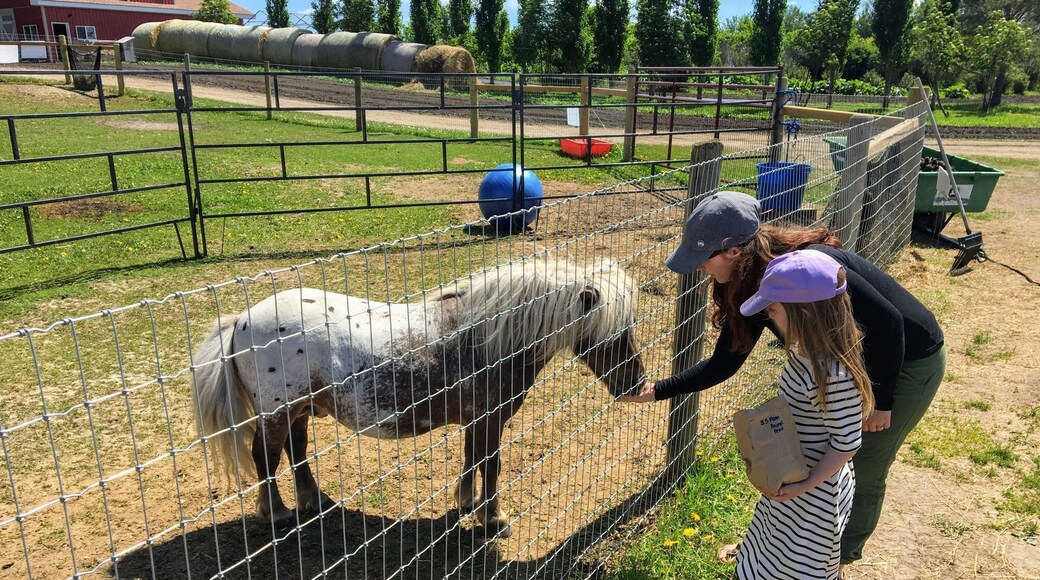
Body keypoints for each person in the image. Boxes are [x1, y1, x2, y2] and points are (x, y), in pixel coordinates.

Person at [619, 191, 947, 569]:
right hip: (844, 367)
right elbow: (726, 361)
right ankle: (773, 551)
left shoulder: (810, 272)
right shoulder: (765, 287)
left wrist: (884, 401)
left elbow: (890, 325)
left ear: (732, 252)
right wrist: (656, 391)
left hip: (906, 362)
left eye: (702, 259)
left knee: (863, 464)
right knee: (809, 464)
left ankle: (835, 561)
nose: (698, 269)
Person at [732, 249, 873, 579]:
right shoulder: (801, 352)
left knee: (800, 561)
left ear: (804, 313)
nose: (768, 315)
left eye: (773, 308)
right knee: (772, 542)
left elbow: (847, 443)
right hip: (793, 473)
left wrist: (806, 484)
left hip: (815, 492)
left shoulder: (833, 377)